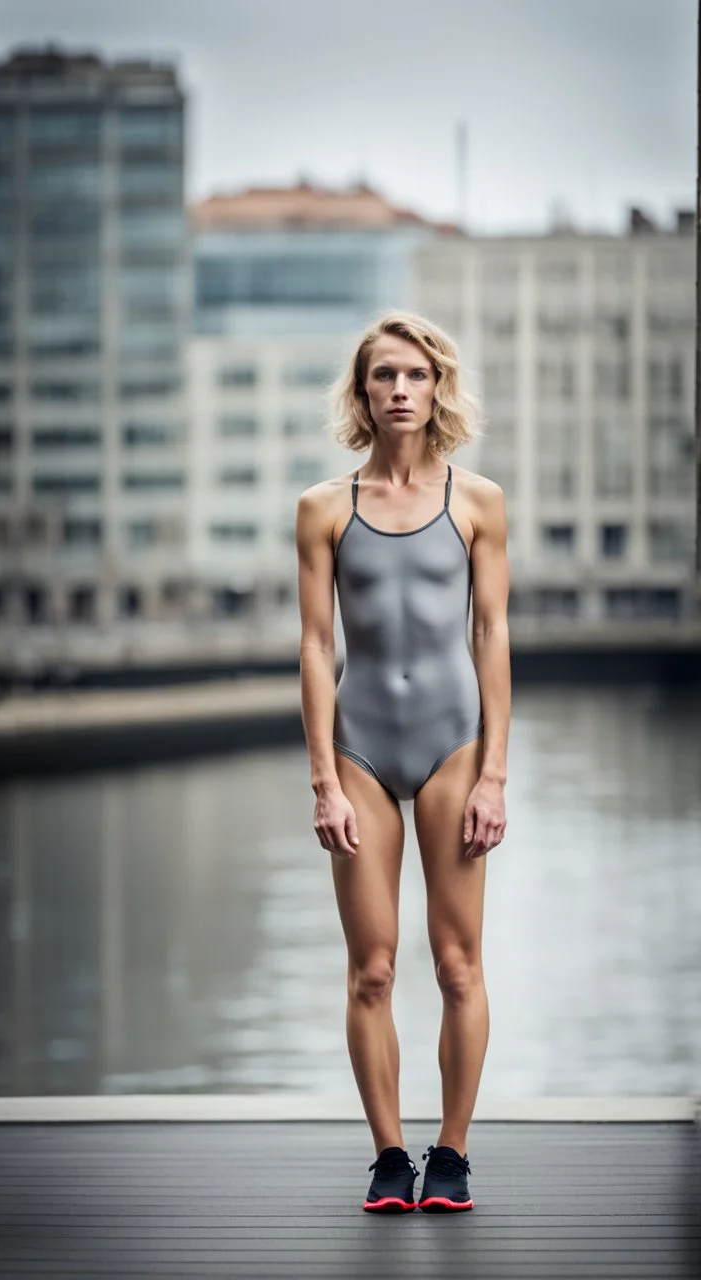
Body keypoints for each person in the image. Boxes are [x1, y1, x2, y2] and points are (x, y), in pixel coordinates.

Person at [295, 311, 510, 1213]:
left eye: (416, 376)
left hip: (455, 747)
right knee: (372, 969)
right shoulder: (322, 509)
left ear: (437, 389)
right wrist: (321, 778)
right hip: (361, 755)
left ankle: (451, 1155)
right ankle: (390, 1156)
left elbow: (492, 633)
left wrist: (496, 771)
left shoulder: (479, 502)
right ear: (362, 392)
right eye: (384, 376)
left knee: (457, 965)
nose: (400, 391)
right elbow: (313, 646)